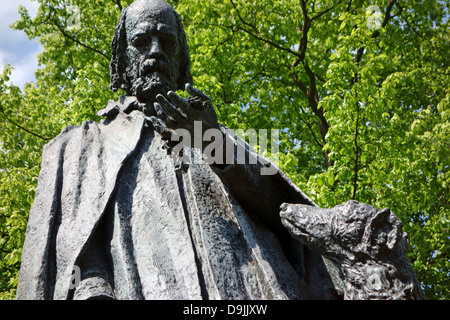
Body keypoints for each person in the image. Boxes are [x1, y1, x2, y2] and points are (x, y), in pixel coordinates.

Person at [17, 0, 342, 300]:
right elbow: (77, 253)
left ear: (181, 58)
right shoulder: (86, 147)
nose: (155, 52)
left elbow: (286, 215)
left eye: (167, 41)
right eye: (142, 41)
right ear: (122, 58)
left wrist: (210, 140)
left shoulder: (219, 134)